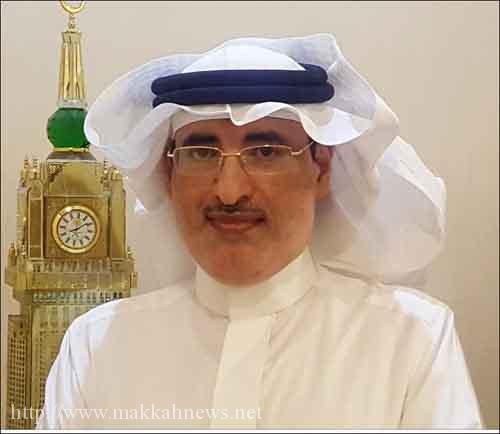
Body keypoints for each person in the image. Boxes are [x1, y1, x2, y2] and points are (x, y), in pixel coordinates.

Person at [36, 34, 483, 429]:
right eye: (201, 152)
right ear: (169, 176)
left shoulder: (411, 342)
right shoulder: (98, 347)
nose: (229, 191)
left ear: (321, 168)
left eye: (266, 151)